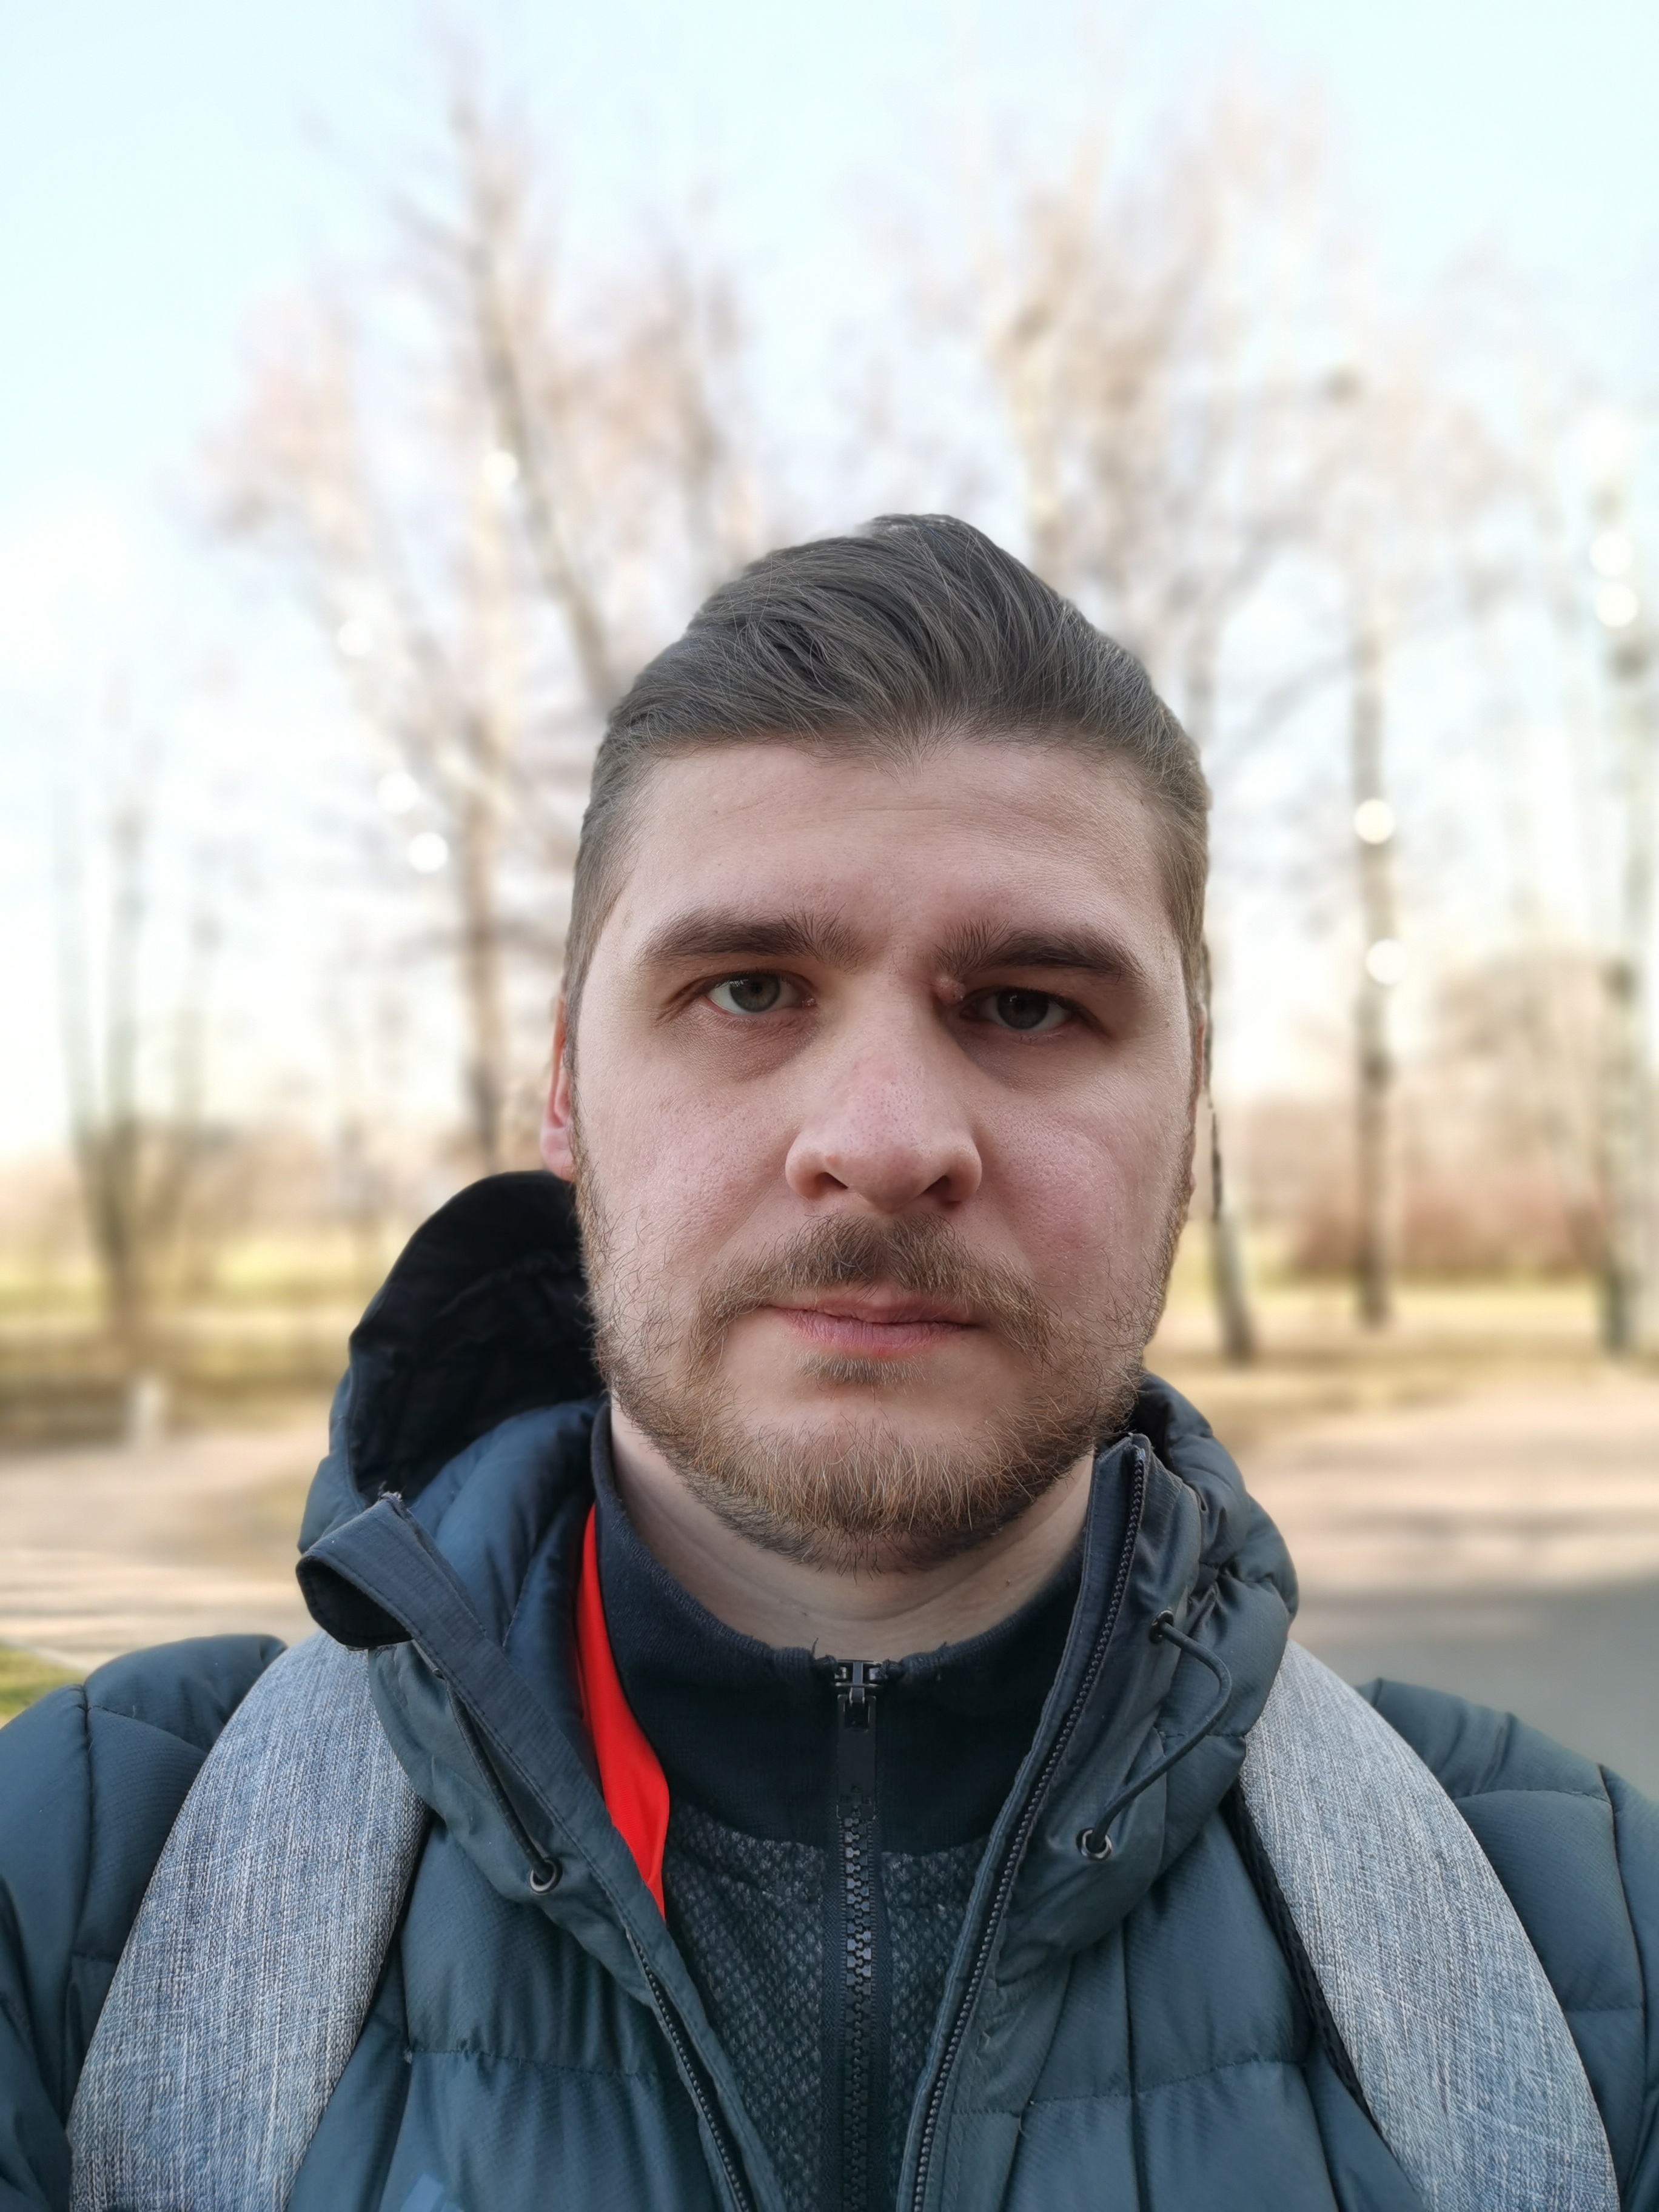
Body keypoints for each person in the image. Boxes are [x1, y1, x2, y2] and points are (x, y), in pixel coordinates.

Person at [2, 515, 1655, 2212]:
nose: (883, 1140)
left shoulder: (1592, 1955)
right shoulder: (67, 1890)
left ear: (1192, 1127)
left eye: (1027, 1005)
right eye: (748, 990)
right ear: (564, 1091)